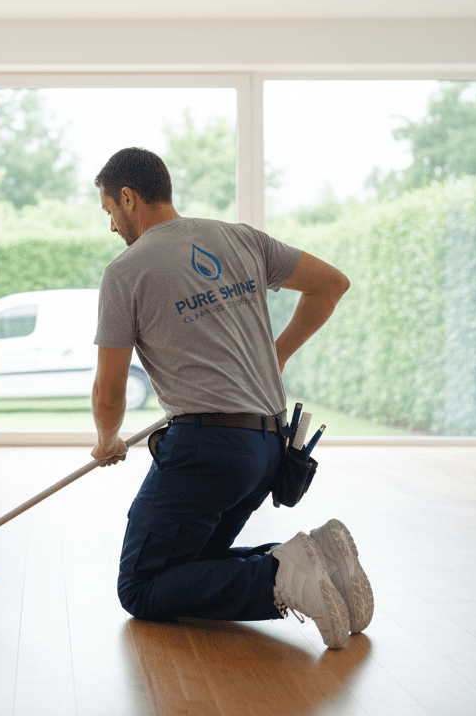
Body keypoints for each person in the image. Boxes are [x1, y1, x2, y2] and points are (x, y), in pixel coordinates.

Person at [89, 147, 372, 649]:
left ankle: (281, 580)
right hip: (268, 450)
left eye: (110, 210)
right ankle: (322, 560)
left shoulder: (126, 271)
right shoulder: (241, 239)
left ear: (128, 198)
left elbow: (109, 386)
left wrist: (107, 439)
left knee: (142, 587)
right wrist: (276, 357)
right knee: (190, 566)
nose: (112, 225)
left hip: (209, 452)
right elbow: (331, 285)